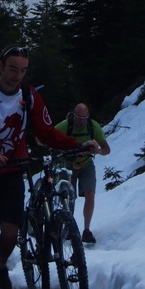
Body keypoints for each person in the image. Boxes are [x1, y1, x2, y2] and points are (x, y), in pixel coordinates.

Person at [0, 45, 100, 289]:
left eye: (23, 70)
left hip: (13, 170)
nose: (17, 75)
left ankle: (1, 266)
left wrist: (77, 145)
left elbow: (46, 131)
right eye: (13, 69)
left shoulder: (30, 95)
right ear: (1, 66)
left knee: (11, 233)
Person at [55, 103, 110, 245]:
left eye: (84, 118)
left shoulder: (93, 126)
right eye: (79, 117)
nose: (81, 121)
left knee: (90, 194)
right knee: (67, 198)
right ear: (74, 114)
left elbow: (106, 149)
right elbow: (48, 138)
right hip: (68, 165)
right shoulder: (64, 126)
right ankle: (68, 227)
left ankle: (86, 230)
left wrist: (97, 150)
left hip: (86, 164)